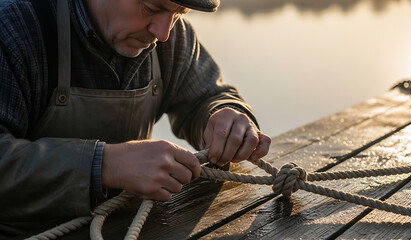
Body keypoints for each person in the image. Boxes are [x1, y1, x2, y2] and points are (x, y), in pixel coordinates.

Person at [0, 0, 271, 237]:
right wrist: (106, 165)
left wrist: (225, 116)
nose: (162, 33)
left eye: (179, 13)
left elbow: (206, 96)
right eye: (151, 7)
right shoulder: (14, 28)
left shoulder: (170, 37)